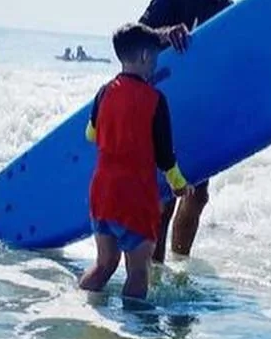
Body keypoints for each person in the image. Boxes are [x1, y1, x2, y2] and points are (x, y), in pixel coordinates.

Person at [138, 0, 249, 262]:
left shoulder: (230, 14)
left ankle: (180, 266)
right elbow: (133, 38)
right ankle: (154, 268)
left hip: (200, 114)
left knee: (198, 195)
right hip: (161, 107)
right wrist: (165, 34)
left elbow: (231, 67)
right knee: (165, 196)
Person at [79, 22, 190, 304]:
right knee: (138, 273)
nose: (155, 64)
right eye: (154, 58)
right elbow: (165, 156)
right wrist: (179, 185)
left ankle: (80, 306)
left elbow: (91, 134)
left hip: (102, 193)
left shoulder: (104, 92)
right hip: (135, 196)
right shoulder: (155, 99)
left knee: (104, 264)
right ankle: (131, 329)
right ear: (144, 56)